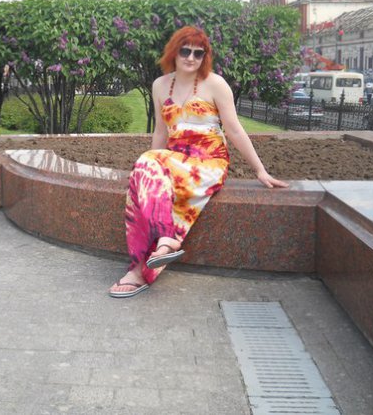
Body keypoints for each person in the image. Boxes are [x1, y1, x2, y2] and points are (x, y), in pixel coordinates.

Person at [108, 26, 289, 298]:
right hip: (175, 160)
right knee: (142, 179)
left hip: (209, 163)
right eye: (185, 51)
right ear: (174, 52)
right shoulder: (160, 85)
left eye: (198, 53)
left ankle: (145, 264)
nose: (191, 58)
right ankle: (149, 258)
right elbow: (160, 132)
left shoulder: (215, 84)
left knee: (147, 166)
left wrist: (260, 170)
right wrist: (145, 172)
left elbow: (234, 130)